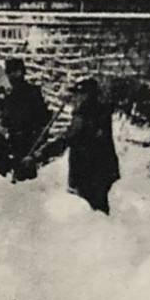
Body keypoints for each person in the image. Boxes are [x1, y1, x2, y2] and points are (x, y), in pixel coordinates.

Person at [54, 78, 120, 214]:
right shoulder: (101, 111)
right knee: (101, 212)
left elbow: (68, 139)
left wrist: (40, 155)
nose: (75, 98)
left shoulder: (83, 116)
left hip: (87, 172)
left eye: (78, 94)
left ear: (86, 95)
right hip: (104, 170)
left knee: (90, 214)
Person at [0, 58, 51, 180]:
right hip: (10, 145)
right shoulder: (9, 96)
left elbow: (41, 120)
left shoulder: (32, 94)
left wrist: (37, 144)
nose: (12, 76)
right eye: (9, 73)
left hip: (27, 143)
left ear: (21, 72)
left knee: (25, 179)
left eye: (15, 72)